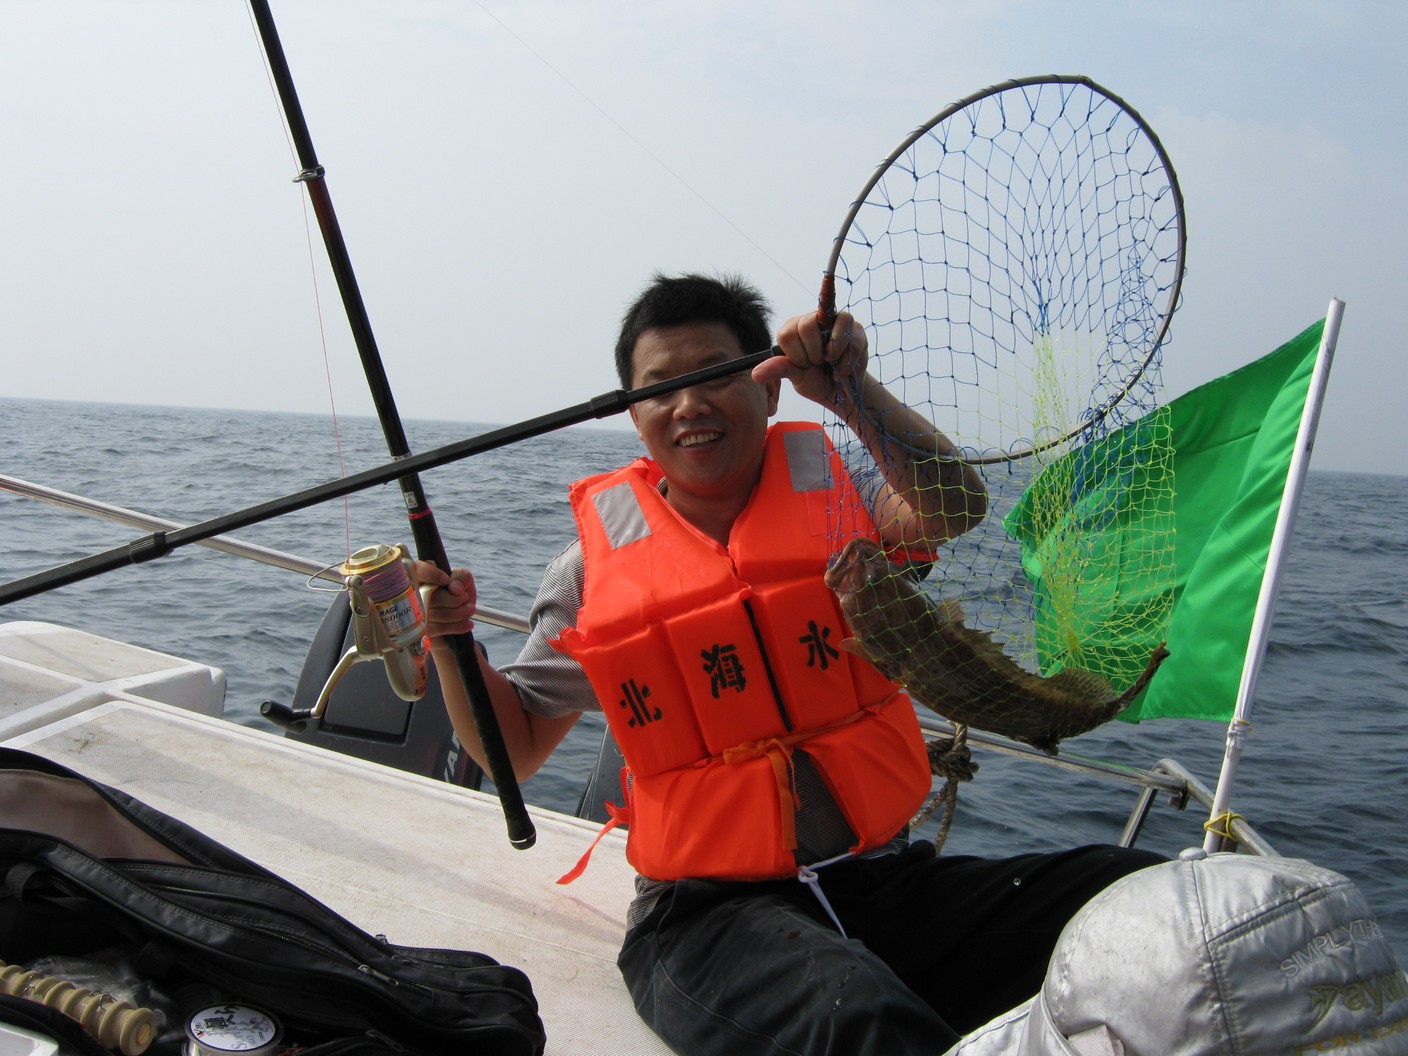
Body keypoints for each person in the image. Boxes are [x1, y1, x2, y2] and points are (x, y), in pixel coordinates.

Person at [416, 273, 1164, 1055]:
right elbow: (516, 748)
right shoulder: (589, 572)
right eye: (659, 389)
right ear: (633, 415)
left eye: (713, 375)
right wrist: (450, 636)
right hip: (705, 917)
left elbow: (955, 506)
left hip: (880, 881)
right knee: (859, 1021)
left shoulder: (844, 492)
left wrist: (850, 392)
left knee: (1129, 891)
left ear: (768, 389)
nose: (689, 406)